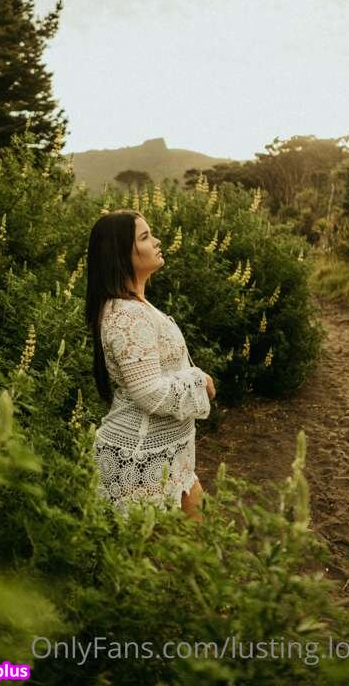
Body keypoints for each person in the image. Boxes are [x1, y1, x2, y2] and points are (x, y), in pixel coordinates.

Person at [85, 208, 216, 521]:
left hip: (167, 455)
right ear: (121, 254)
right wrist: (200, 381)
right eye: (145, 237)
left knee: (202, 538)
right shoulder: (128, 315)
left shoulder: (136, 306)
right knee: (176, 547)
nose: (156, 241)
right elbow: (150, 393)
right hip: (140, 457)